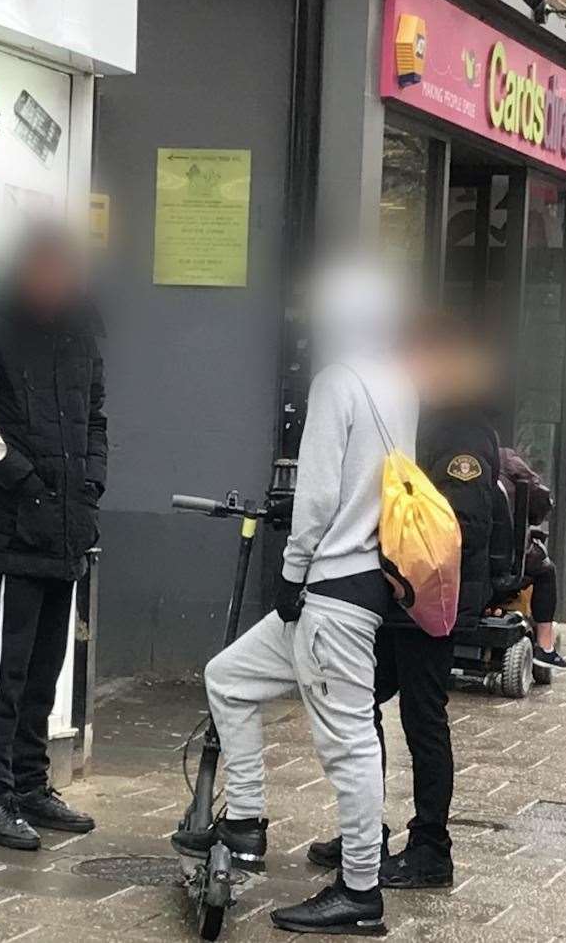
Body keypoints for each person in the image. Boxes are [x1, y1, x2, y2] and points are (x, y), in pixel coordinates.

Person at [171, 262, 414, 936]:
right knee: (229, 676)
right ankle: (245, 819)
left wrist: (292, 567)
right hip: (356, 586)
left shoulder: (340, 382)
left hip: (330, 588)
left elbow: (316, 497)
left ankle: (360, 891)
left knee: (350, 745)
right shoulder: (399, 383)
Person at [306, 315, 513, 888]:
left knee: (423, 718)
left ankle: (431, 850)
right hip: (400, 595)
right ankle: (365, 830)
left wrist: (398, 553)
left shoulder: (462, 430)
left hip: (431, 600)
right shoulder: (416, 416)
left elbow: (457, 522)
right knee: (362, 700)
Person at [0, 225, 104, 850]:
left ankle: (30, 781)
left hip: (69, 530)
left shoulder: (81, 336)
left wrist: (92, 486)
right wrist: (25, 483)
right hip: (12, 530)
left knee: (47, 668)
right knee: (4, 670)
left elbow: (96, 418)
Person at [499, 446, 566, 669]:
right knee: (546, 570)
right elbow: (539, 496)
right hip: (500, 560)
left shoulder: (444, 455)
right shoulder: (505, 459)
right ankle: (545, 647)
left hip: (456, 554)